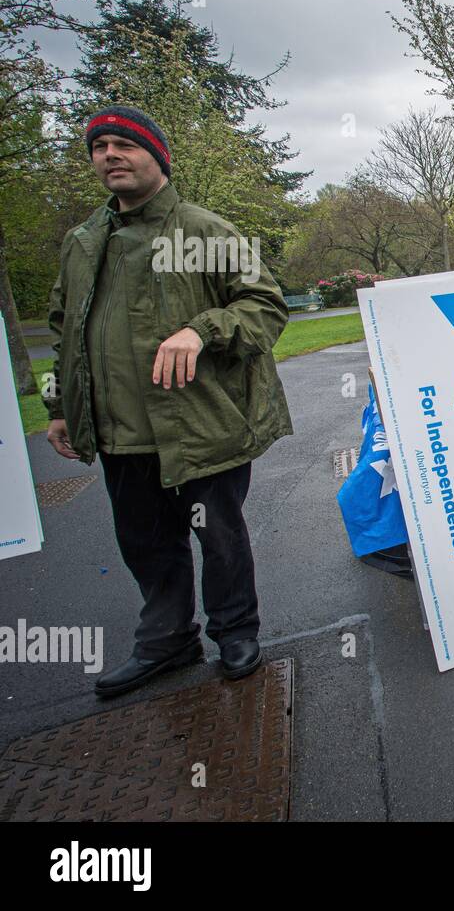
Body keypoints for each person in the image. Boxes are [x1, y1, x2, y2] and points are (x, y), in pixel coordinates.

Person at [44, 105, 293, 697]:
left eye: (123, 145)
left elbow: (265, 308)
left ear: (156, 155)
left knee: (220, 535)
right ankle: (167, 641)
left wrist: (201, 330)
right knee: (145, 543)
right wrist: (59, 407)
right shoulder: (83, 243)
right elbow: (63, 332)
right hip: (121, 432)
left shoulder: (203, 231)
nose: (110, 156)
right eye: (99, 147)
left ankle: (236, 632)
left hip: (205, 424)